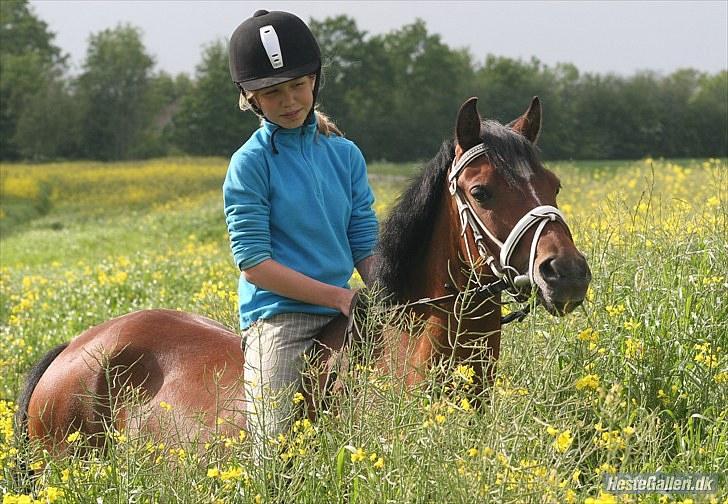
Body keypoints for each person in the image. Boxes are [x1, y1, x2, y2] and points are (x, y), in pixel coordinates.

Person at [223, 9, 378, 463]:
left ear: (315, 80)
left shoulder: (345, 155)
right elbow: (254, 264)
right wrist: (337, 297)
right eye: (272, 93)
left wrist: (387, 291)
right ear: (251, 98)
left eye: (297, 86)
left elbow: (364, 240)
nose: (289, 100)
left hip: (347, 308)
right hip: (281, 320)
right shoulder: (249, 165)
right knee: (274, 447)